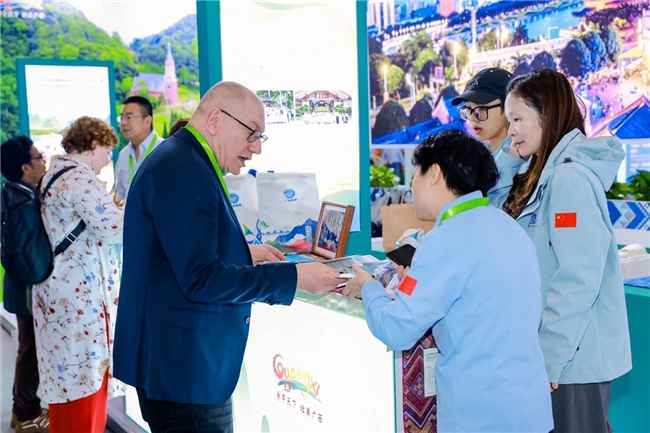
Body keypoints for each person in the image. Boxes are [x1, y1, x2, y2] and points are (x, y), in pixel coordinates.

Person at [113, 81, 345, 433]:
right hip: (185, 372)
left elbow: (172, 251)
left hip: (178, 366)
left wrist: (241, 253)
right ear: (215, 120)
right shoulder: (186, 169)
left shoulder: (182, 158)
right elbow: (201, 278)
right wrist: (294, 278)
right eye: (252, 133)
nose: (256, 148)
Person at [344, 130, 553, 433]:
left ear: (434, 174)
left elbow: (396, 329)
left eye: (415, 174)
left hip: (480, 417)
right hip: (530, 411)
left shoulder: (444, 240)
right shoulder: (508, 226)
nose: (411, 186)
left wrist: (369, 286)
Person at [493, 69, 631, 433]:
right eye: (509, 121)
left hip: (571, 360)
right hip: (556, 354)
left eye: (518, 119)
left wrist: (550, 357)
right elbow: (488, 207)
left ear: (547, 115)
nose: (511, 131)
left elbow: (578, 279)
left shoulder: (568, 179)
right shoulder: (540, 172)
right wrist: (509, 156)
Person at [33, 117, 123, 433]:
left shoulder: (52, 174)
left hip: (55, 290)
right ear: (93, 145)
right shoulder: (80, 178)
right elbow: (113, 229)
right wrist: (134, 211)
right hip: (80, 300)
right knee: (87, 382)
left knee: (64, 384)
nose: (108, 159)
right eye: (107, 151)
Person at [1, 136, 49, 433]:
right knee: (30, 349)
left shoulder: (12, 194)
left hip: (20, 285)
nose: (43, 161)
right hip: (28, 288)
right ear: (25, 168)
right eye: (38, 157)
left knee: (28, 348)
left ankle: (24, 408)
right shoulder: (25, 202)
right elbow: (32, 253)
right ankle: (25, 413)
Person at [452, 67, 513, 156]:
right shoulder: (475, 157)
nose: (472, 118)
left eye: (481, 108)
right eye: (468, 108)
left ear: (508, 106)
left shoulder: (526, 158)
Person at [114, 96, 163, 205]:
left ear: (147, 121)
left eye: (129, 117)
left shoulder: (165, 151)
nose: (123, 123)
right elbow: (119, 194)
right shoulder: (124, 154)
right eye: (121, 118)